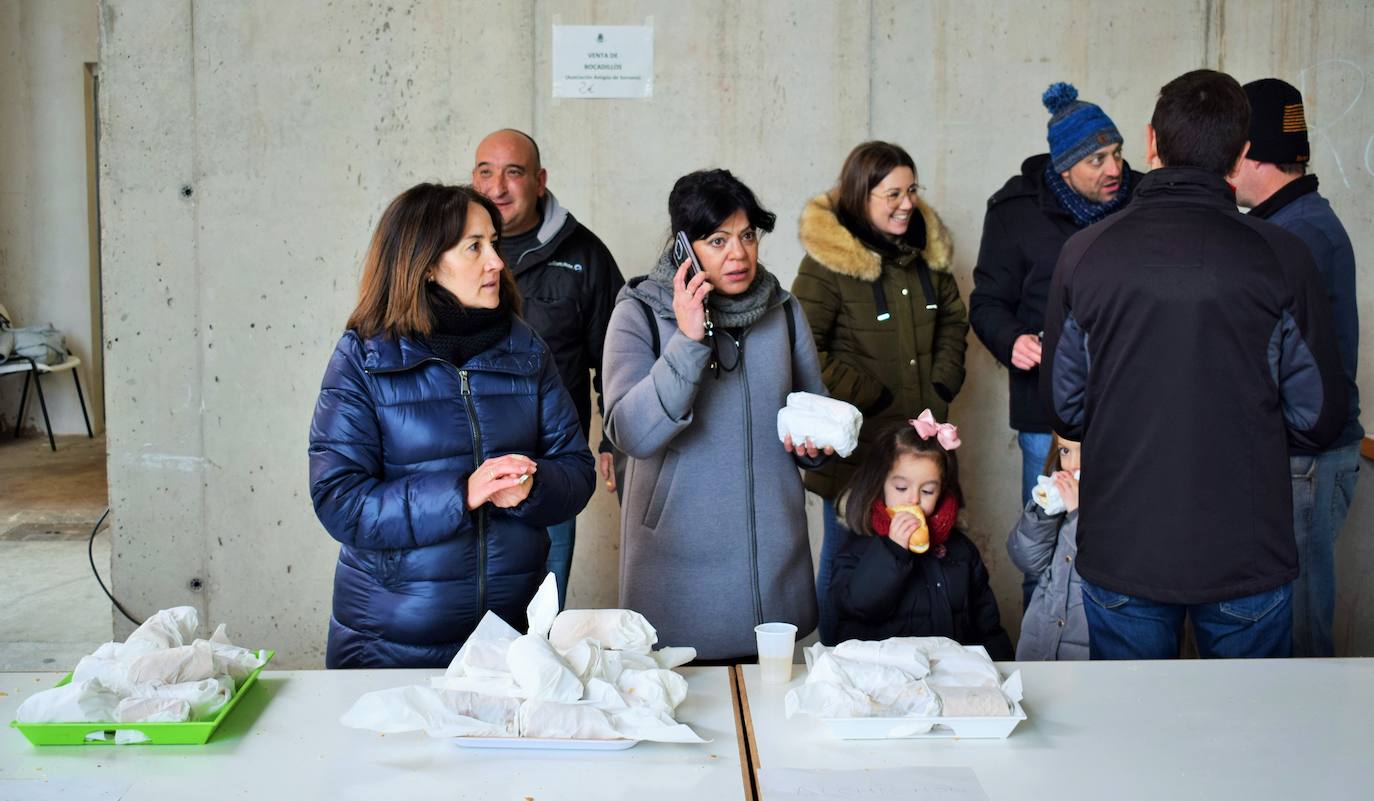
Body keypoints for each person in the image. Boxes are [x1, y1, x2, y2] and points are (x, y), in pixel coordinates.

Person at [1041, 70, 1348, 660]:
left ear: (1151, 142)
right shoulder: (1283, 255)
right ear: (1238, 157)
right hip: (1245, 546)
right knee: (1248, 740)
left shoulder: (1085, 254)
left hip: (1123, 543)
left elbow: (1065, 407)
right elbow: (1317, 418)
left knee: (1133, 735)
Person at [309, 183, 596, 668]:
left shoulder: (525, 349)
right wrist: (460, 494)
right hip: (389, 647)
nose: (497, 263)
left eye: (494, 244)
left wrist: (535, 487)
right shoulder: (364, 357)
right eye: (474, 247)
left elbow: (577, 471)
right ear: (425, 264)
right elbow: (340, 500)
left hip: (509, 647)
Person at [603, 169, 829, 662]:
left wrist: (815, 450)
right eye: (718, 240)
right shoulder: (639, 313)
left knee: (768, 727)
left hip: (773, 564)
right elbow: (630, 432)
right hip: (676, 572)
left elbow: (813, 412)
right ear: (683, 246)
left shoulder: (784, 311)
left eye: (747, 236)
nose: (739, 253)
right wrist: (687, 341)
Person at [969, 83, 1141, 610]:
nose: (1114, 168)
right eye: (1097, 160)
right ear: (1064, 168)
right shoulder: (1013, 211)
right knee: (1045, 547)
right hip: (1047, 419)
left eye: (1116, 153)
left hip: (1132, 406)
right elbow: (987, 303)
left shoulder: (1145, 200)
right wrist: (1011, 340)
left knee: (1131, 548)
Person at [791, 141, 968, 645]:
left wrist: (941, 382)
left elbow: (955, 319)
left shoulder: (925, 255)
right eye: (892, 193)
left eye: (912, 190)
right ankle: (835, 657)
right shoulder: (828, 265)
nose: (906, 203)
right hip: (858, 451)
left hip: (919, 448)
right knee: (847, 559)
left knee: (918, 550)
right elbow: (802, 349)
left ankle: (904, 659)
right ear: (861, 196)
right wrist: (872, 394)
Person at [1232, 78, 1362, 658]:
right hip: (1304, 456)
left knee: (1300, 630)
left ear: (1251, 154)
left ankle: (1314, 747)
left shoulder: (1296, 234)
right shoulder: (1295, 222)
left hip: (1305, 459)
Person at [472, 129, 626, 611]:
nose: (497, 187)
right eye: (485, 172)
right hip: (466, 474)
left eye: (513, 172)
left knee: (540, 621)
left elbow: (618, 356)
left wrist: (613, 439)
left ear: (540, 181)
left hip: (549, 473)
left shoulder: (585, 255)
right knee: (464, 625)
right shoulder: (447, 253)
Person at [826, 414, 1013, 659]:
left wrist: (1002, 670)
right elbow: (856, 608)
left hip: (951, 675)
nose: (913, 499)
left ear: (942, 490)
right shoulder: (857, 548)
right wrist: (892, 551)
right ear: (880, 484)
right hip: (885, 678)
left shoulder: (961, 551)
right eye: (901, 488)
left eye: (927, 491)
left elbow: (987, 624)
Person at [1006, 434, 1087, 660]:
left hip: (1085, 655)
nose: (1072, 465)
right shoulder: (1058, 509)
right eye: (1065, 451)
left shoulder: (1119, 511)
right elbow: (1028, 560)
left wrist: (1077, 515)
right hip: (1043, 640)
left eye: (1084, 450)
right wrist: (1044, 511)